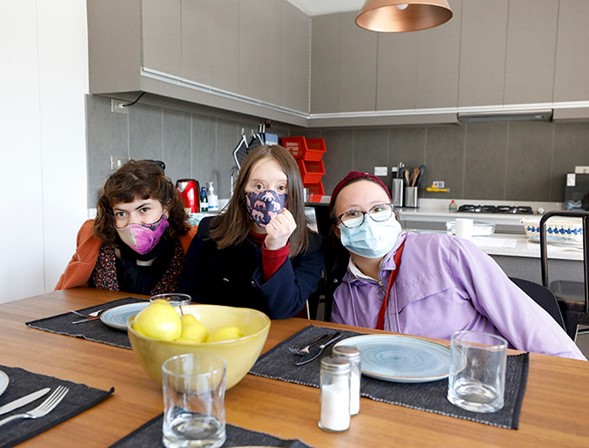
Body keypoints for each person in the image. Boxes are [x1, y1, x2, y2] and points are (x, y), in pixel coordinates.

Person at [328, 170, 586, 360]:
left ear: (393, 215)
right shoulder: (344, 298)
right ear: (338, 231)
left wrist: (574, 378)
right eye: (352, 213)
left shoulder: (447, 253)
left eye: (378, 209)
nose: (368, 221)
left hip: (476, 385)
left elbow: (526, 322)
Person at [180, 144, 324, 319]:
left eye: (281, 188)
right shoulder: (210, 231)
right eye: (258, 186)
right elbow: (189, 296)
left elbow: (283, 309)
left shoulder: (310, 246)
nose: (269, 197)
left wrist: (276, 248)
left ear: (292, 194)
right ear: (242, 190)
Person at [56, 160, 197, 295]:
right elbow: (64, 294)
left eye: (144, 209)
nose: (133, 223)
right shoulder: (93, 237)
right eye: (121, 213)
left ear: (166, 207)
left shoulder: (191, 242)